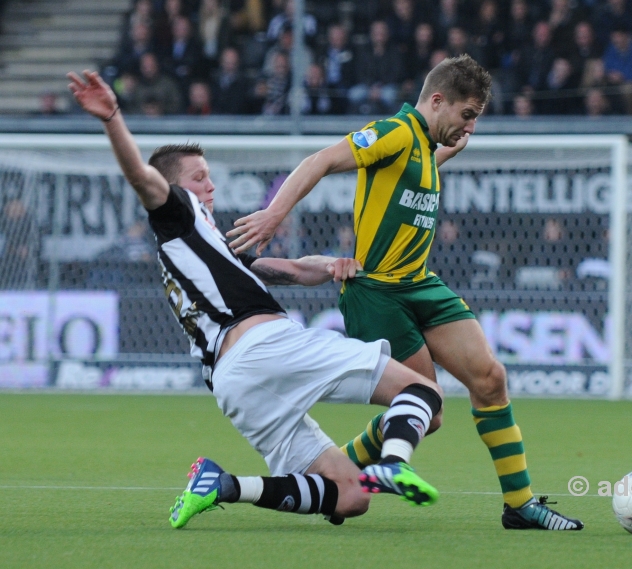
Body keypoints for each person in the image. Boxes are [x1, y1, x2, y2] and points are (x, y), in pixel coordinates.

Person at [67, 69, 445, 529]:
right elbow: (141, 176)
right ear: (177, 189)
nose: (211, 186)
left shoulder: (206, 248)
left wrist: (333, 266)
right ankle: (395, 462)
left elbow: (290, 270)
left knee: (350, 497)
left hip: (233, 383)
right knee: (422, 392)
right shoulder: (178, 214)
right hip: (265, 345)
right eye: (200, 177)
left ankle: (223, 485)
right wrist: (112, 119)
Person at [226, 54, 584, 531]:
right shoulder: (395, 132)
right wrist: (274, 215)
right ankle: (343, 480)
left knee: (490, 379)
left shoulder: (424, 147)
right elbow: (322, 159)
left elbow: (420, 166)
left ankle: (519, 505)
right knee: (425, 407)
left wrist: (452, 143)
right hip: (376, 291)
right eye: (467, 114)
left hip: (419, 282)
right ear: (437, 101)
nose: (470, 126)